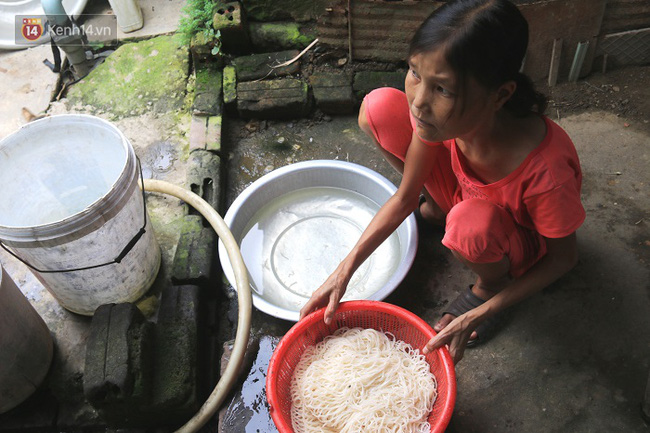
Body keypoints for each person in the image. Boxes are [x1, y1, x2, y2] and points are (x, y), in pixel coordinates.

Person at [299, 0, 585, 363]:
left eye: (443, 89)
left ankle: (492, 282)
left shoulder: (545, 171)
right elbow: (405, 198)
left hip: (515, 239)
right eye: (415, 73)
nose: (419, 101)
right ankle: (438, 210)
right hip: (464, 198)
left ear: (501, 95)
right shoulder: (442, 120)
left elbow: (565, 259)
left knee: (468, 224)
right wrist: (342, 273)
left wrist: (483, 311)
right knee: (379, 107)